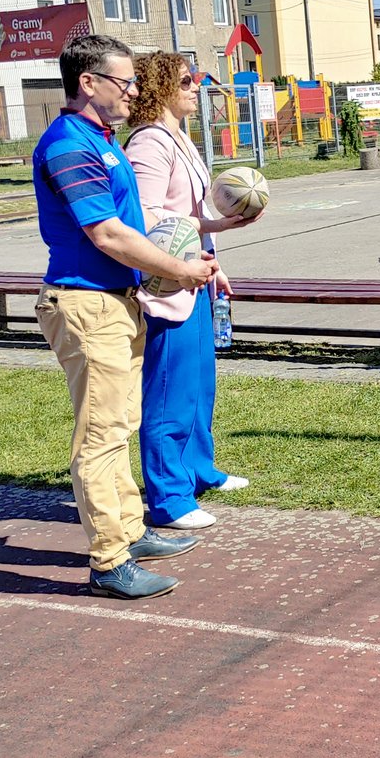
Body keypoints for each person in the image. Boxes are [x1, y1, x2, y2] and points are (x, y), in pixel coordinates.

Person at [32, 35, 218, 600]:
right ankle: (110, 562)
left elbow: (138, 225)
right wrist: (180, 270)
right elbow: (107, 234)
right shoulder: (69, 144)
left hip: (117, 301)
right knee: (101, 435)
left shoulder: (102, 140)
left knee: (121, 425)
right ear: (88, 83)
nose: (135, 91)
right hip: (87, 305)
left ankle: (131, 532)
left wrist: (182, 255)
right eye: (126, 81)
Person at [126, 53, 258, 530]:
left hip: (194, 276)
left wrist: (213, 261)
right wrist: (210, 230)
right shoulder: (148, 142)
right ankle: (169, 498)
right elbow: (145, 216)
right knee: (169, 391)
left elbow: (191, 213)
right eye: (186, 80)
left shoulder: (179, 137)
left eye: (195, 79)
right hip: (167, 283)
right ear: (161, 87)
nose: (195, 87)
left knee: (200, 383)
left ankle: (200, 469)